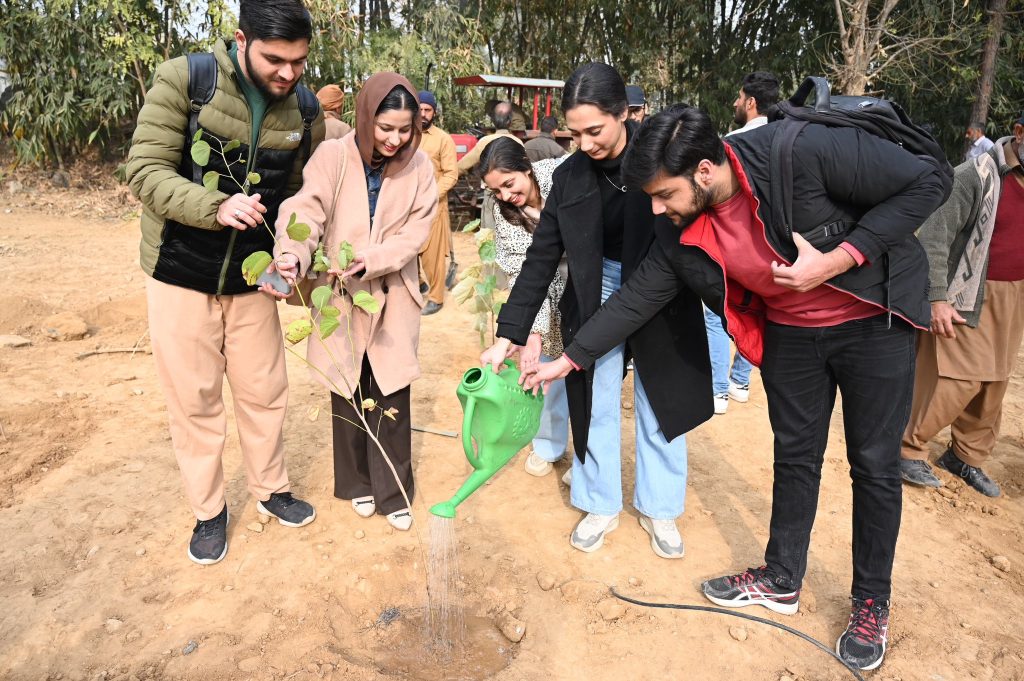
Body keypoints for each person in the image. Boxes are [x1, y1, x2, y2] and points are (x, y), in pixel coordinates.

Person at [526, 105, 946, 670]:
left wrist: (840, 259)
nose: (656, 208)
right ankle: (781, 576)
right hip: (793, 334)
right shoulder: (680, 225)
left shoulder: (800, 152)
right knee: (795, 458)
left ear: (704, 172)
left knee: (872, 464)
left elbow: (930, 180)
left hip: (871, 320)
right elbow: (639, 294)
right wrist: (570, 360)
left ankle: (871, 601)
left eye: (663, 194)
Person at [481, 64, 712, 561]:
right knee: (595, 395)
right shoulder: (569, 177)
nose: (585, 143)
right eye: (575, 133)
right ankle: (599, 501)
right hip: (596, 285)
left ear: (624, 114)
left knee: (659, 397)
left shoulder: (659, 158)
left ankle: (660, 506)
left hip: (659, 283)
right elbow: (541, 257)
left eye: (596, 130)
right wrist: (510, 334)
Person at [126, 0, 324, 566]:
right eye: (275, 60)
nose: (288, 74)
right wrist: (215, 206)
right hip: (180, 274)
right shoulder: (186, 80)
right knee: (195, 400)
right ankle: (209, 511)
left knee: (265, 391)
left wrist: (290, 254)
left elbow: (300, 200)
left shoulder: (306, 111)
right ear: (241, 40)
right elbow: (144, 170)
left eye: (299, 62)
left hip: (253, 282)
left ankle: (271, 489)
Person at [267, 73, 436, 532]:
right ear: (365, 118)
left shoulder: (420, 167)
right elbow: (306, 210)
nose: (395, 139)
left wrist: (376, 258)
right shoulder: (333, 156)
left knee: (391, 387)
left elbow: (416, 233)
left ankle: (394, 492)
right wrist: (291, 253)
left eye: (404, 130)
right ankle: (358, 484)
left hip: (392, 290)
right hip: (340, 293)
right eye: (385, 128)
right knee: (346, 386)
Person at [900, 115, 1024, 497]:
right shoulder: (977, 174)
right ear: (1020, 133)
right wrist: (937, 296)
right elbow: (934, 236)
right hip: (967, 293)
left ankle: (965, 457)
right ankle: (905, 448)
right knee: (957, 378)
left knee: (994, 382)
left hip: (1015, 296)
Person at [477, 137, 570, 478]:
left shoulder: (562, 176)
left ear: (526, 168)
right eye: (495, 190)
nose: (504, 196)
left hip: (588, 280)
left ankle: (589, 459)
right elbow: (523, 272)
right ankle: (547, 444)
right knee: (541, 367)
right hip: (540, 287)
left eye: (508, 183)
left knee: (587, 371)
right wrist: (533, 332)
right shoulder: (507, 214)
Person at [706, 70, 779, 413]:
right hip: (775, 248)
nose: (736, 103)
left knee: (719, 311)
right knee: (757, 310)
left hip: (734, 245)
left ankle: (718, 390)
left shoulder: (735, 142)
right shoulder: (785, 138)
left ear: (750, 102)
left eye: (739, 98)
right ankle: (740, 381)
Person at [416, 90, 458, 316]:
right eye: (420, 109)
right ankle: (420, 284)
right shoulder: (406, 135)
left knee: (432, 254)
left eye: (427, 110)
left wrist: (432, 194)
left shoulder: (443, 139)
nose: (423, 114)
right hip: (406, 206)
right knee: (409, 250)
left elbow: (451, 174)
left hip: (434, 206)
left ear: (434, 113)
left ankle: (436, 297)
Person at [457, 101, 524, 175]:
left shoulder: (484, 141)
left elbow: (460, 167)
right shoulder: (518, 142)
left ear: (493, 120)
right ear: (510, 121)